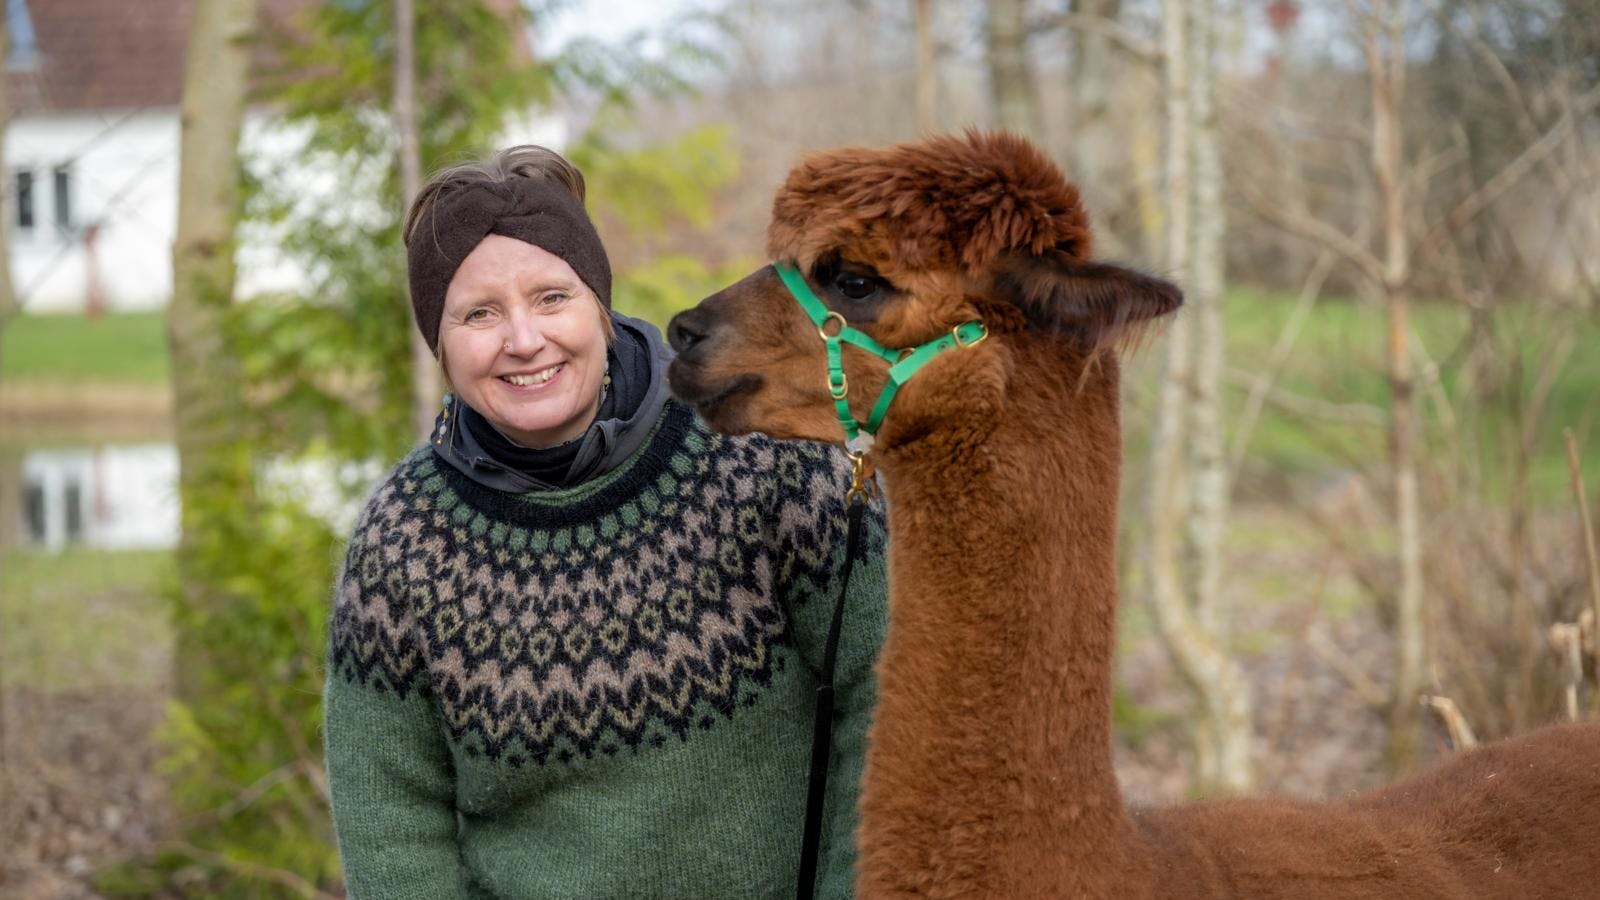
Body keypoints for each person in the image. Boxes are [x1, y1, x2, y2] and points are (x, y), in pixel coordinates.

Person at [322, 145, 888, 900]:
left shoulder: (764, 451)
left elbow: (881, 695)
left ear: (599, 302)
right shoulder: (404, 541)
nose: (524, 340)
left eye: (552, 298)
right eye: (479, 314)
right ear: (440, 346)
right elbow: (390, 822)